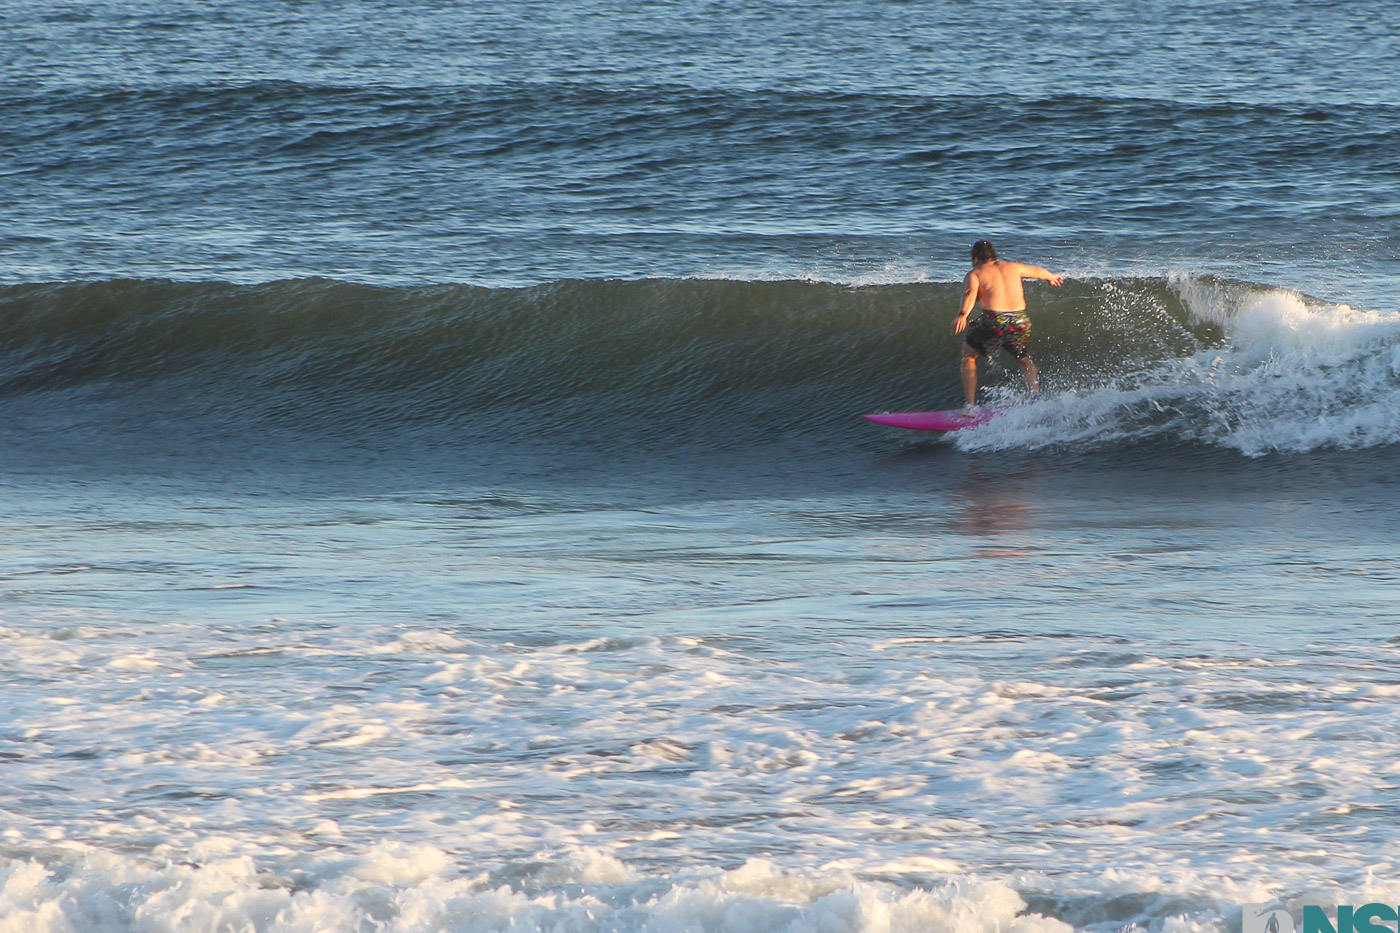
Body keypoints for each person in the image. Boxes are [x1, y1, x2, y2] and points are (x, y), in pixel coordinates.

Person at [951, 240, 1064, 409]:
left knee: (968, 356)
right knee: (1023, 357)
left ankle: (970, 407)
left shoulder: (975, 273)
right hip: (1020, 320)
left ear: (975, 258)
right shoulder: (1013, 266)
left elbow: (969, 293)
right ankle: (1035, 396)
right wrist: (1051, 276)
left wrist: (962, 315)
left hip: (995, 320)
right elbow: (1038, 271)